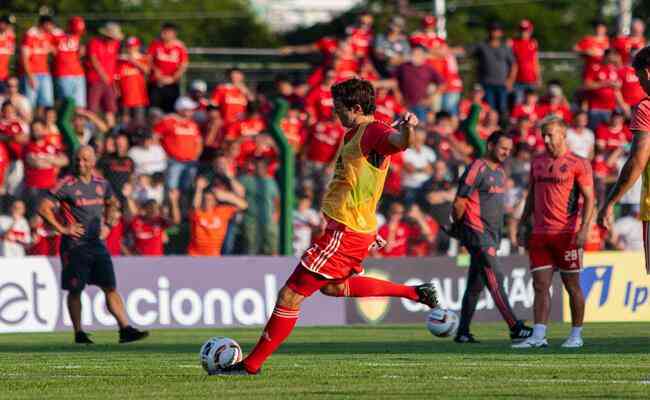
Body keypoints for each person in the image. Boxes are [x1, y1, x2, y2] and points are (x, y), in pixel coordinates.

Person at [215, 78, 439, 376]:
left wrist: (408, 129)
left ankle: (251, 364)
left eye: (338, 109)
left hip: (347, 232)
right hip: (353, 228)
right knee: (333, 287)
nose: (335, 114)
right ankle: (414, 293)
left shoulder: (374, 131)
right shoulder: (358, 132)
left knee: (290, 295)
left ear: (356, 108)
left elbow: (400, 143)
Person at [38, 146, 149, 344]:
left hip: (96, 244)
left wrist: (109, 223)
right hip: (74, 245)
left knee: (110, 287)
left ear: (93, 161)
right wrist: (63, 228)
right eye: (78, 159)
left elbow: (113, 202)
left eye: (85, 160)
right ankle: (79, 333)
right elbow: (43, 207)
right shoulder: (67, 184)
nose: (81, 163)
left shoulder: (102, 184)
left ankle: (125, 329)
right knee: (75, 289)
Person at [514, 116, 595, 348]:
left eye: (550, 134)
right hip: (539, 234)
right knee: (540, 285)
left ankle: (576, 335)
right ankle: (539, 336)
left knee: (572, 286)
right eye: (544, 135)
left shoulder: (578, 163)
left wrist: (584, 228)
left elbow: (589, 198)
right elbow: (531, 194)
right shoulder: (537, 162)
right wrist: (522, 222)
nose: (546, 139)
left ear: (563, 134)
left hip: (566, 234)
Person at [450, 131, 532, 344]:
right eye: (503, 147)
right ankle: (515, 327)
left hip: (492, 234)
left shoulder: (501, 173)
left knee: (476, 285)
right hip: (477, 232)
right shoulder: (476, 167)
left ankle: (463, 332)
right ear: (490, 145)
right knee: (496, 278)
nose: (507, 152)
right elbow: (459, 201)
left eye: (509, 149)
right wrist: (459, 227)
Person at [597, 46, 650, 275]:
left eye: (638, 78)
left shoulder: (647, 107)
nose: (639, 84)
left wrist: (610, 202)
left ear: (647, 73)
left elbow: (638, 159)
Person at [187, 176, 247, 256]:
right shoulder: (197, 212)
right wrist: (199, 189)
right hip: (195, 255)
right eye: (204, 199)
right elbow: (195, 206)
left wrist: (226, 196)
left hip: (213, 256)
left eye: (210, 200)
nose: (207, 202)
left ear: (215, 202)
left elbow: (244, 205)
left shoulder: (222, 211)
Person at [471, 22, 516, 122]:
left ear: (501, 33)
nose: (494, 33)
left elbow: (513, 64)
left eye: (497, 30)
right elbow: (466, 50)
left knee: (503, 110)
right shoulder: (482, 46)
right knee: (490, 110)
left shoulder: (505, 47)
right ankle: (491, 129)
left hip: (502, 84)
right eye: (492, 30)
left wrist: (510, 80)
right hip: (487, 84)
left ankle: (503, 129)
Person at [85, 22, 123, 127]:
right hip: (95, 79)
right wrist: (103, 75)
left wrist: (114, 83)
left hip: (109, 81)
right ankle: (91, 130)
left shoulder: (115, 44)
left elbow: (114, 63)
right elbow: (94, 60)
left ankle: (111, 131)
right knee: (92, 108)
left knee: (110, 109)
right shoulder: (94, 43)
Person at [147, 22, 188, 113]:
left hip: (171, 84)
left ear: (174, 34)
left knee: (170, 110)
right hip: (156, 83)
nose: (163, 34)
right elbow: (149, 60)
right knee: (154, 111)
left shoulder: (179, 46)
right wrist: (155, 72)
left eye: (167, 32)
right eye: (163, 32)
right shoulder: (156, 44)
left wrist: (173, 78)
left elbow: (183, 65)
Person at [20, 15, 56, 108]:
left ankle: (41, 122)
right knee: (30, 103)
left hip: (44, 73)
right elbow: (24, 58)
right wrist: (30, 76)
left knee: (46, 102)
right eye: (51, 24)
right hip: (32, 74)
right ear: (44, 24)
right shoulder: (30, 35)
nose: (52, 27)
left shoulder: (48, 36)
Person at [52, 16, 86, 108]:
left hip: (78, 74)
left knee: (79, 105)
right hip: (63, 74)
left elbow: (77, 55)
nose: (77, 33)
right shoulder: (56, 34)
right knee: (66, 104)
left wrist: (80, 53)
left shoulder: (77, 37)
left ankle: (77, 122)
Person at [509, 19, 540, 104]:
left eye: (526, 30)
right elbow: (512, 63)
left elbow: (535, 62)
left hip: (531, 79)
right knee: (518, 103)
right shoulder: (513, 43)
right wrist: (510, 80)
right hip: (518, 80)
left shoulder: (533, 43)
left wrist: (538, 77)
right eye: (522, 30)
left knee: (532, 103)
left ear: (530, 30)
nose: (523, 32)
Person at [0, 14, 15, 93]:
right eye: (6, 24)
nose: (8, 26)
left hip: (4, 76)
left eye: (9, 24)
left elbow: (10, 56)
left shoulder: (10, 37)